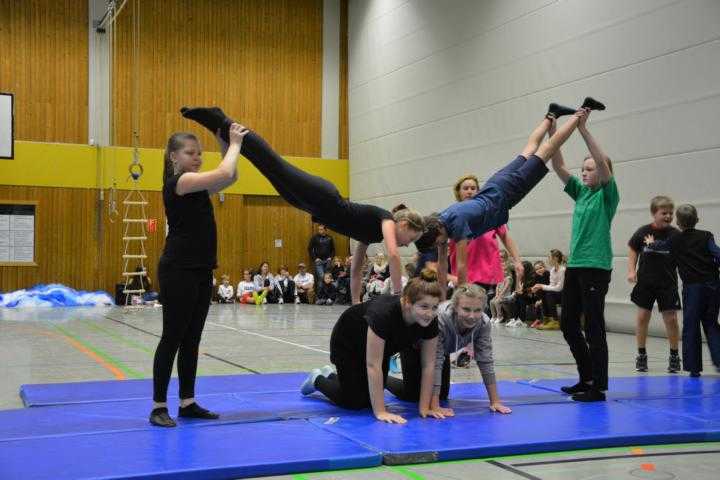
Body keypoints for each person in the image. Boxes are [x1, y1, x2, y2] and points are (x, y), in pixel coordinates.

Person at [181, 106, 425, 303]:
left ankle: (221, 128)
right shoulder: (386, 220)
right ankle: (222, 120)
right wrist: (398, 295)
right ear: (403, 223)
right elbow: (394, 255)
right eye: (410, 238)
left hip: (310, 206)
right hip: (323, 196)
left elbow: (356, 269)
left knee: (265, 167)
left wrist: (355, 302)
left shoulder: (372, 234)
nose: (407, 244)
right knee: (272, 162)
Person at [416, 99, 606, 296]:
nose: (441, 245)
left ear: (437, 231)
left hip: (506, 193)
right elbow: (441, 266)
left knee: (548, 149)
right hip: (495, 185)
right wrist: (441, 298)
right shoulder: (442, 219)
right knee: (529, 150)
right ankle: (551, 115)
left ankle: (581, 112)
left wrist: (460, 297)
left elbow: (461, 266)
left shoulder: (456, 224)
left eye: (438, 242)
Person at [151, 122, 248, 427]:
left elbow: (230, 176)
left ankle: (187, 402)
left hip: (202, 269)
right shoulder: (179, 183)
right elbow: (223, 171)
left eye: (199, 153)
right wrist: (235, 144)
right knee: (172, 337)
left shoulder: (198, 186)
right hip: (178, 270)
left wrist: (224, 144)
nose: (197, 157)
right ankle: (158, 406)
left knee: (192, 339)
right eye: (190, 153)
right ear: (173, 157)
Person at [300, 270, 449, 424]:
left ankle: (331, 376)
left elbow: (429, 365)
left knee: (371, 394)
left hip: (380, 348)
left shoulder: (430, 320)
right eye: (424, 307)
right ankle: (317, 379)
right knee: (355, 402)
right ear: (407, 302)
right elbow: (373, 366)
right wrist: (380, 411)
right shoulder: (384, 313)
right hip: (348, 342)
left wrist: (424, 408)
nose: (430, 313)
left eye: (434, 307)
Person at [550, 106, 619, 402]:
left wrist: (583, 128)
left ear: (603, 172)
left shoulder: (607, 194)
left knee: (593, 326)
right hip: (576, 265)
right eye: (584, 169)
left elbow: (601, 162)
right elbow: (557, 165)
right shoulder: (580, 192)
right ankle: (586, 377)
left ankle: (598, 386)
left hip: (596, 267)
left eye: (590, 169)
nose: (585, 173)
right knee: (568, 324)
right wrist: (553, 128)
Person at [389, 284, 511, 415]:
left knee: (442, 395)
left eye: (477, 310)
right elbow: (435, 362)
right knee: (413, 395)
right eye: (466, 309)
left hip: (442, 350)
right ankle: (385, 380)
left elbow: (485, 360)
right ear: (455, 307)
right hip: (414, 347)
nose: (472, 316)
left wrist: (495, 401)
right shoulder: (441, 319)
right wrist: (434, 406)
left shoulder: (483, 323)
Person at [657, 204, 720, 376]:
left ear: (678, 222)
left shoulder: (675, 240)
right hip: (713, 285)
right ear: (697, 220)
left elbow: (660, 248)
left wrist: (650, 243)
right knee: (711, 323)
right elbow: (717, 253)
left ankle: (693, 368)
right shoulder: (706, 236)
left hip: (693, 288)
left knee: (691, 325)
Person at [449, 174, 523, 311]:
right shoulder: (453, 212)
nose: (469, 191)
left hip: (486, 271)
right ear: (458, 192)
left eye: (473, 188)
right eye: (466, 188)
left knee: (482, 309)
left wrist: (517, 260)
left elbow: (505, 236)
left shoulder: (489, 211)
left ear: (478, 191)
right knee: (466, 309)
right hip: (464, 272)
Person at [627, 196, 681, 373]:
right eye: (664, 213)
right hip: (646, 282)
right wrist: (631, 271)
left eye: (670, 213)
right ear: (654, 213)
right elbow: (633, 249)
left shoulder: (675, 234)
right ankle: (641, 354)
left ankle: (674, 356)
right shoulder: (643, 232)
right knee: (643, 317)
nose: (668, 216)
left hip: (668, 283)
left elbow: (684, 255)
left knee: (671, 319)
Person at [531, 249, 566, 330]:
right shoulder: (553, 270)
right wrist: (539, 286)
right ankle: (547, 319)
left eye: (549, 257)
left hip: (566, 294)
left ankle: (555, 321)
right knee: (544, 292)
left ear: (555, 258)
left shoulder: (563, 270)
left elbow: (559, 288)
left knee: (549, 293)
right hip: (558, 294)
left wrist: (541, 286)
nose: (548, 259)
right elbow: (551, 286)